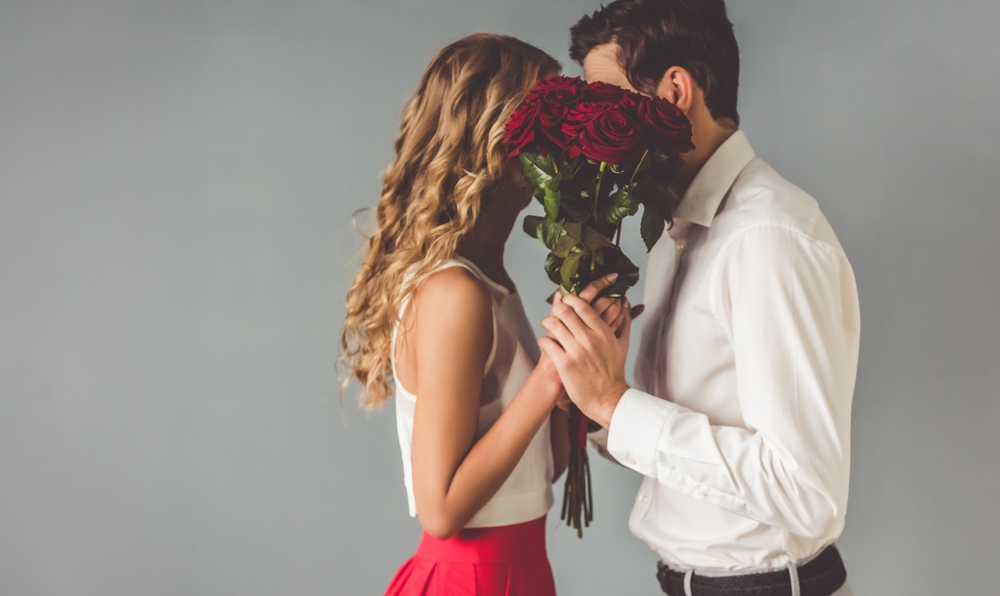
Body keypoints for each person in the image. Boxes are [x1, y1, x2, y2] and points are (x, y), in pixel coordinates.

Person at [538, 2, 861, 595]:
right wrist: (595, 403)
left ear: (675, 90)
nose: (588, 127)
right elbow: (694, 450)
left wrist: (615, 403)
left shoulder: (767, 237)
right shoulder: (671, 234)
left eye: (602, 100)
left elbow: (806, 492)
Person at [340, 33, 625, 596]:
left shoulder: (491, 282)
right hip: (468, 580)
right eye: (550, 126)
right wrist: (547, 378)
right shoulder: (455, 293)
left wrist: (578, 381)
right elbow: (441, 510)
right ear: (497, 141)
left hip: (518, 574)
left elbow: (530, 477)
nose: (568, 146)